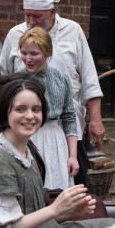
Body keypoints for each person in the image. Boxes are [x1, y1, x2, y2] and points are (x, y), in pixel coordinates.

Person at [0, 74, 115, 228]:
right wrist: (55, 209)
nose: (30, 116)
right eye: (20, 109)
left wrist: (66, 212)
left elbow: (29, 215)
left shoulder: (24, 152)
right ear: (4, 112)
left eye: (36, 109)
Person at [0, 0, 104, 185]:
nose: (31, 21)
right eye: (27, 15)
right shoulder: (15, 34)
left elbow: (89, 79)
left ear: (52, 12)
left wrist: (96, 120)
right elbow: (2, 80)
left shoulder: (73, 31)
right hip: (23, 127)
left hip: (67, 124)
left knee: (74, 179)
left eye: (37, 16)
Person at [19, 27, 77, 190]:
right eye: (24, 53)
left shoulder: (60, 79)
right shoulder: (17, 80)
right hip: (25, 137)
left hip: (54, 141)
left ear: (47, 53)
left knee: (55, 189)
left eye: (34, 54)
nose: (28, 59)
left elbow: (69, 117)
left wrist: (73, 156)